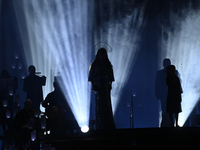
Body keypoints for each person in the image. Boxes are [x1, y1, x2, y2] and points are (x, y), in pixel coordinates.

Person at [88, 48, 116, 130]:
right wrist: (94, 85)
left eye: (103, 54)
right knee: (99, 106)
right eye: (101, 54)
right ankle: (100, 125)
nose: (102, 56)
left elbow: (111, 77)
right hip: (98, 87)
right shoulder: (94, 65)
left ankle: (108, 124)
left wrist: (109, 85)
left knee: (106, 105)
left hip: (105, 87)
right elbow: (91, 77)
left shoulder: (108, 65)